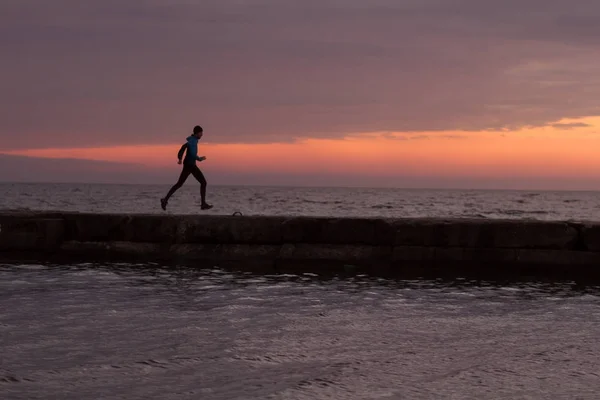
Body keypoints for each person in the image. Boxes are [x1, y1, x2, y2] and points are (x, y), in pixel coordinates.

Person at [161, 125, 213, 211]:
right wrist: (199, 158)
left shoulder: (193, 140)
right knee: (203, 182)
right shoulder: (192, 141)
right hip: (190, 165)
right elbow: (192, 153)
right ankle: (203, 204)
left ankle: (165, 199)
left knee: (180, 184)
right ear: (197, 133)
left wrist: (180, 158)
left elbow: (183, 147)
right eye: (201, 133)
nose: (202, 135)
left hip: (190, 164)